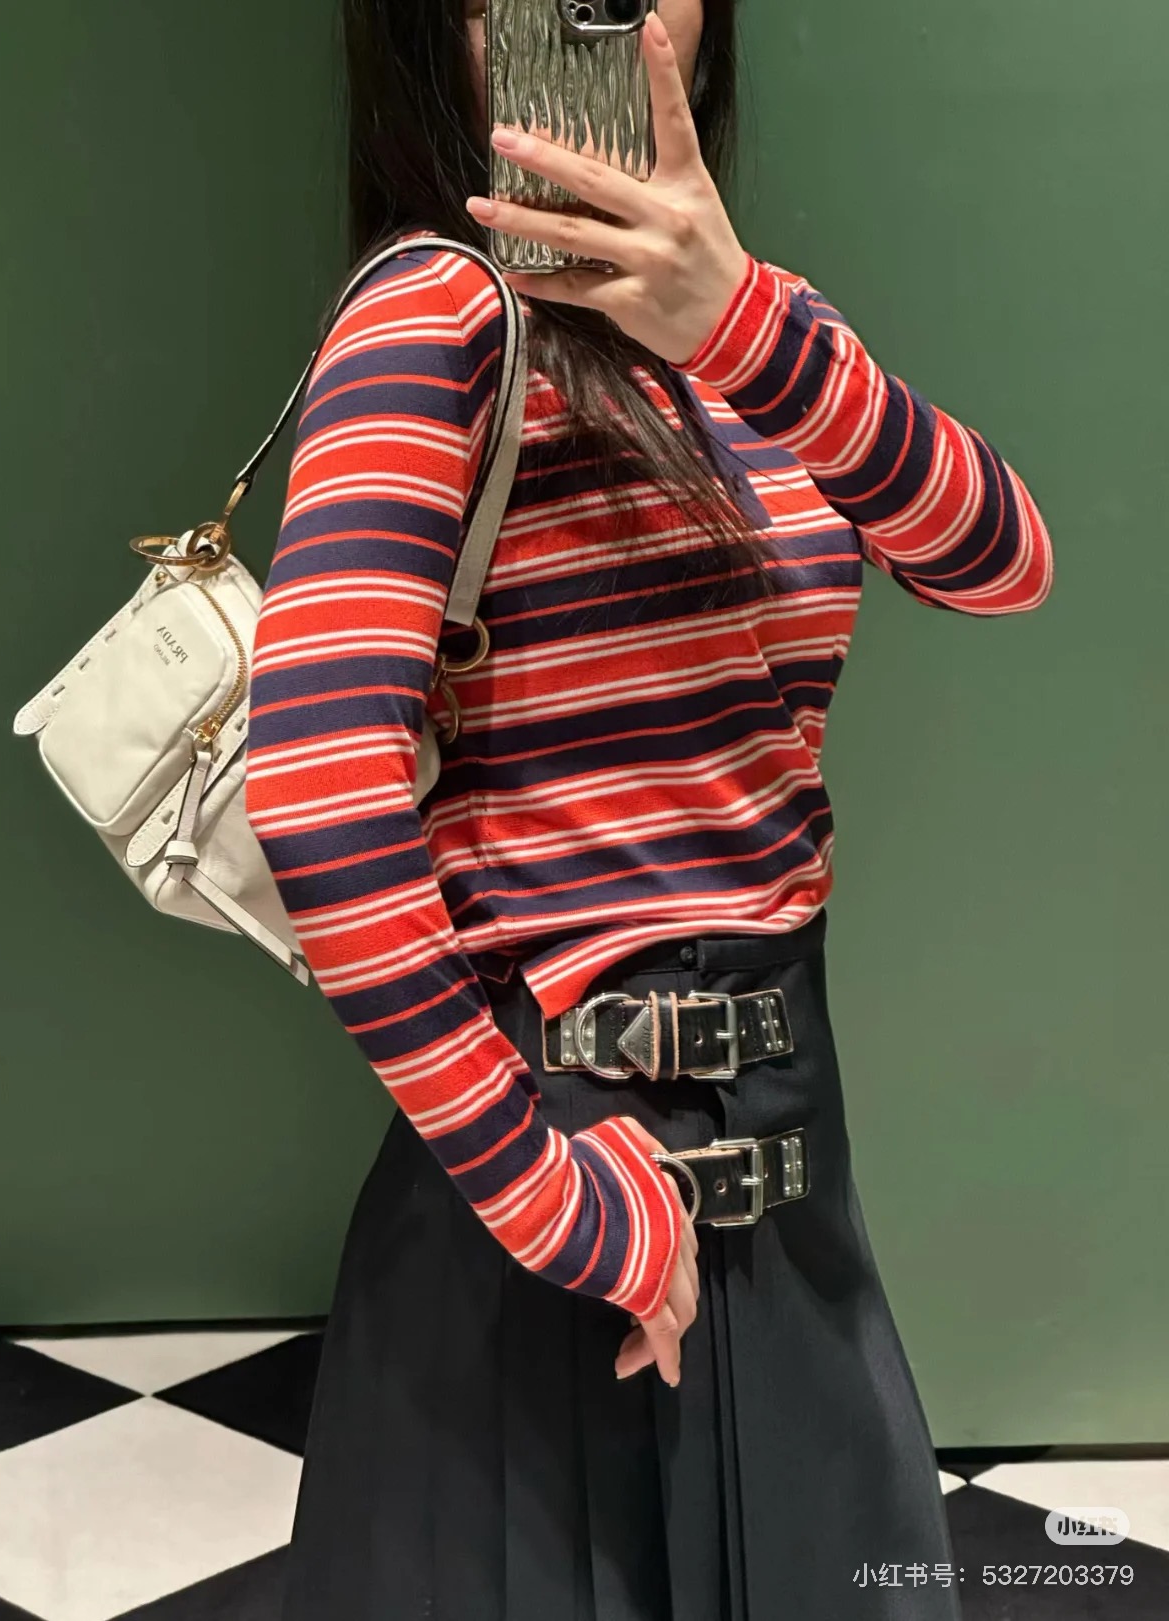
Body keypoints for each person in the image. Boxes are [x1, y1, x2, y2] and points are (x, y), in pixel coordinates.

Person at [243, 2, 1054, 1617]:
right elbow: (318, 794)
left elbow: (1002, 558)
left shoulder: (772, 332)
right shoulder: (432, 313)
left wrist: (742, 324)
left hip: (787, 1150)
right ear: (440, 38)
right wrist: (559, 1201)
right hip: (548, 1161)